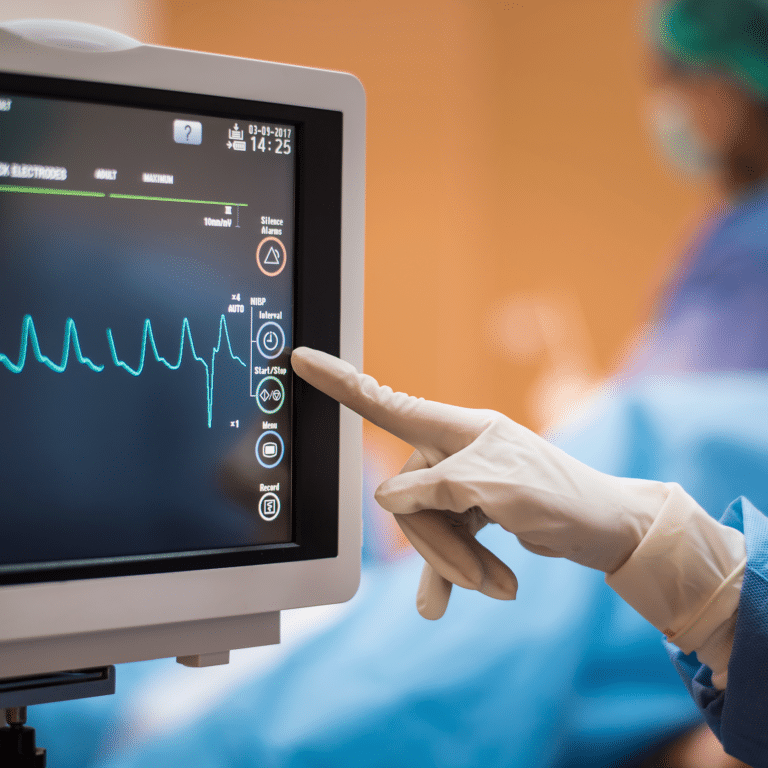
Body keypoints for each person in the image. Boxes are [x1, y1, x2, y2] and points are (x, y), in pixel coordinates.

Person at [31, 1, 768, 766]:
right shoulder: (733, 245)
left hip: (614, 574)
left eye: (681, 79)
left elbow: (681, 441)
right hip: (640, 552)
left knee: (205, 717)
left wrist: (681, 552)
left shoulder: (746, 264)